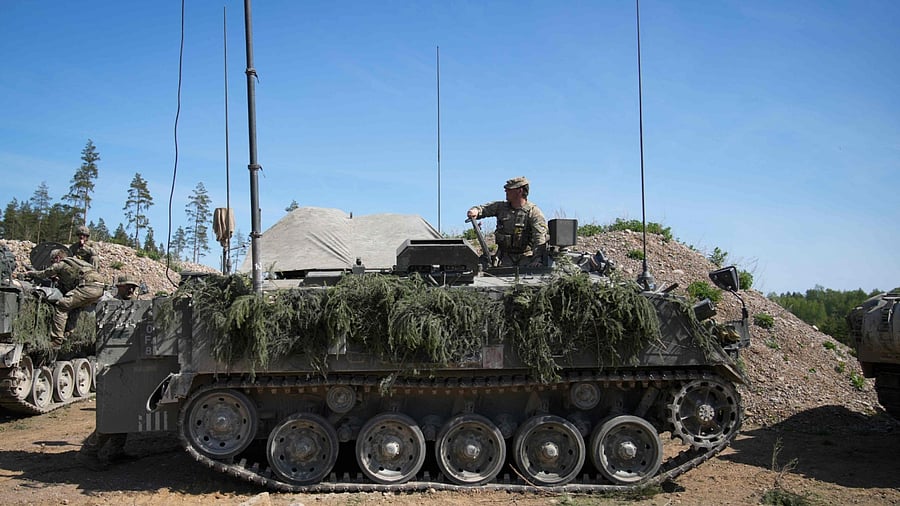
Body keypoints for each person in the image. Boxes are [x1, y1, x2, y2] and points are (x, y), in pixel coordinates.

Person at [25, 248, 104, 347]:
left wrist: (31, 273)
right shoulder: (76, 262)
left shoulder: (61, 263)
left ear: (57, 258)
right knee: (75, 307)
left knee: (62, 305)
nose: (52, 263)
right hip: (99, 288)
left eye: (52, 261)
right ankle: (68, 334)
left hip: (87, 287)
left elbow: (44, 273)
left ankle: (57, 340)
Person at [467, 176, 549, 267]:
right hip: (503, 258)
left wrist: (537, 259)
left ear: (520, 191)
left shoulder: (534, 212)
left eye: (509, 190)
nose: (506, 192)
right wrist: (475, 211)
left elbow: (539, 238)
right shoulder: (501, 207)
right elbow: (483, 209)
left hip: (525, 258)